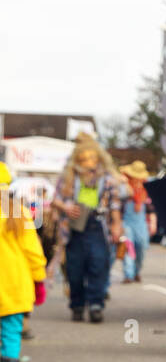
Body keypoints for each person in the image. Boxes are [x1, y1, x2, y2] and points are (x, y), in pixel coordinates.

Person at [52, 133, 123, 322]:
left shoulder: (106, 178)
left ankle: (95, 304)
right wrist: (66, 206)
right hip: (74, 229)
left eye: (91, 158)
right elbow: (55, 199)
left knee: (99, 266)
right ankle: (77, 304)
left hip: (97, 226)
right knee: (75, 270)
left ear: (99, 157)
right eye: (83, 159)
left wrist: (116, 225)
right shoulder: (69, 177)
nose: (88, 162)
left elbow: (115, 204)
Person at [0, 163, 47, 362]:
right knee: (10, 334)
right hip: (14, 287)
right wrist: (39, 278)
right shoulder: (18, 213)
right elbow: (33, 252)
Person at [119, 161, 152, 283]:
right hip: (127, 222)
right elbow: (122, 197)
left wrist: (152, 223)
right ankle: (129, 274)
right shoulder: (124, 187)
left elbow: (150, 209)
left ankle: (137, 271)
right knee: (129, 247)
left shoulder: (145, 189)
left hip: (141, 224)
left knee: (141, 248)